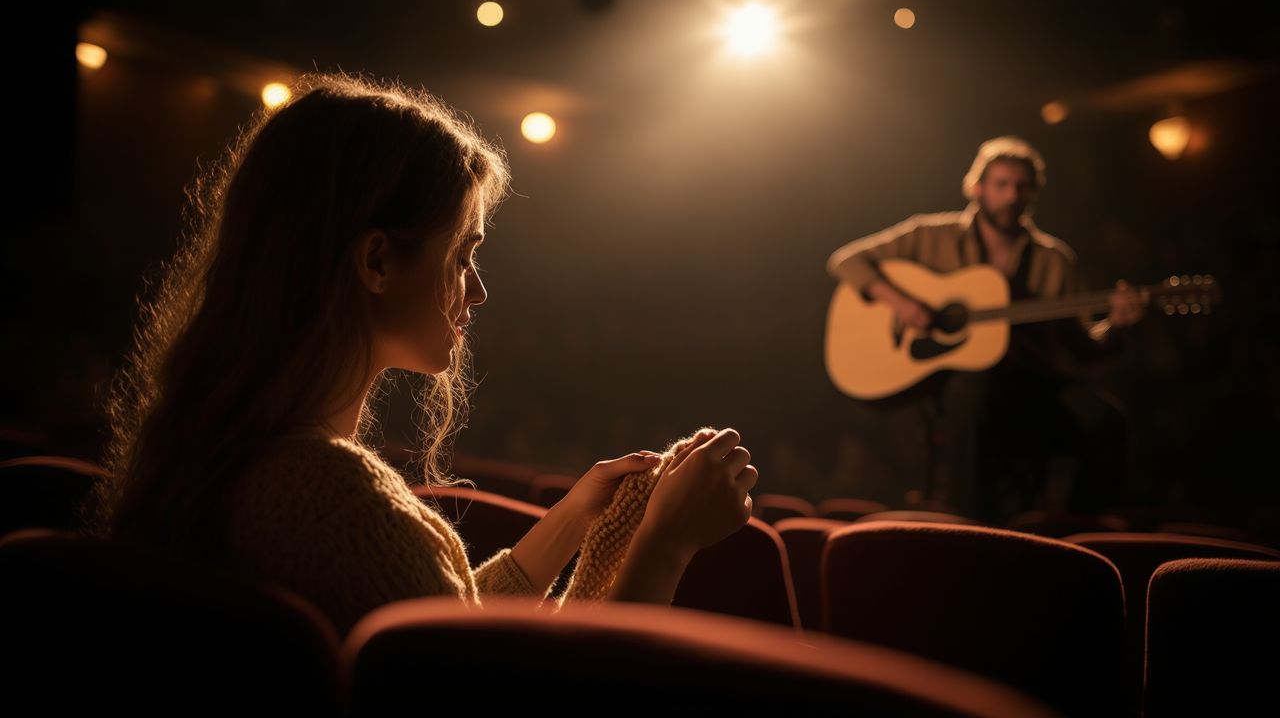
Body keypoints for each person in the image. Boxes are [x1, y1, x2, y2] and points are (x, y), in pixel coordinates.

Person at [93, 72, 757, 636]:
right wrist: (665, 545)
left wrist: (572, 522)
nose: (480, 290)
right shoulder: (333, 503)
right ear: (377, 261)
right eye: (464, 255)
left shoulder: (224, 454)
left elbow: (430, 626)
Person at [825, 136, 1144, 523]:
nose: (1012, 196)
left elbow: (1081, 345)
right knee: (973, 390)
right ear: (977, 188)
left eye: (1022, 187)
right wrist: (901, 303)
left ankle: (1079, 529)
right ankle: (973, 524)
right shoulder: (930, 235)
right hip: (959, 383)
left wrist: (1116, 325)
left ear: (1034, 193)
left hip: (1033, 384)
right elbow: (846, 260)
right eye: (1002, 184)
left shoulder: (1054, 259)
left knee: (1107, 420)